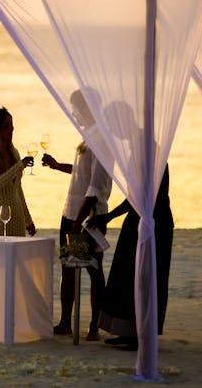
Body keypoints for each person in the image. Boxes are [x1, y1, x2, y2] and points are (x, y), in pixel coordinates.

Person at [42, 89, 112, 340]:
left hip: (86, 218)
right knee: (69, 268)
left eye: (75, 107)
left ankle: (94, 326)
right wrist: (56, 165)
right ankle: (65, 322)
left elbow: (94, 187)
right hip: (71, 213)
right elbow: (81, 174)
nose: (73, 113)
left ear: (87, 108)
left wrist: (78, 222)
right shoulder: (87, 137)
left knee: (92, 270)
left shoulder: (101, 139)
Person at [87, 165, 174, 351]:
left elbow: (141, 197)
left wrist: (108, 216)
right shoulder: (141, 156)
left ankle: (140, 335)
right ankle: (128, 331)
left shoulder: (152, 158)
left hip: (152, 221)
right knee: (125, 275)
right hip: (137, 218)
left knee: (144, 276)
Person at [0, 107, 36, 237]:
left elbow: (18, 189)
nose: (12, 129)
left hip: (17, 219)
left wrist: (28, 220)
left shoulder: (13, 152)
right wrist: (19, 166)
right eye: (6, 126)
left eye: (12, 125)